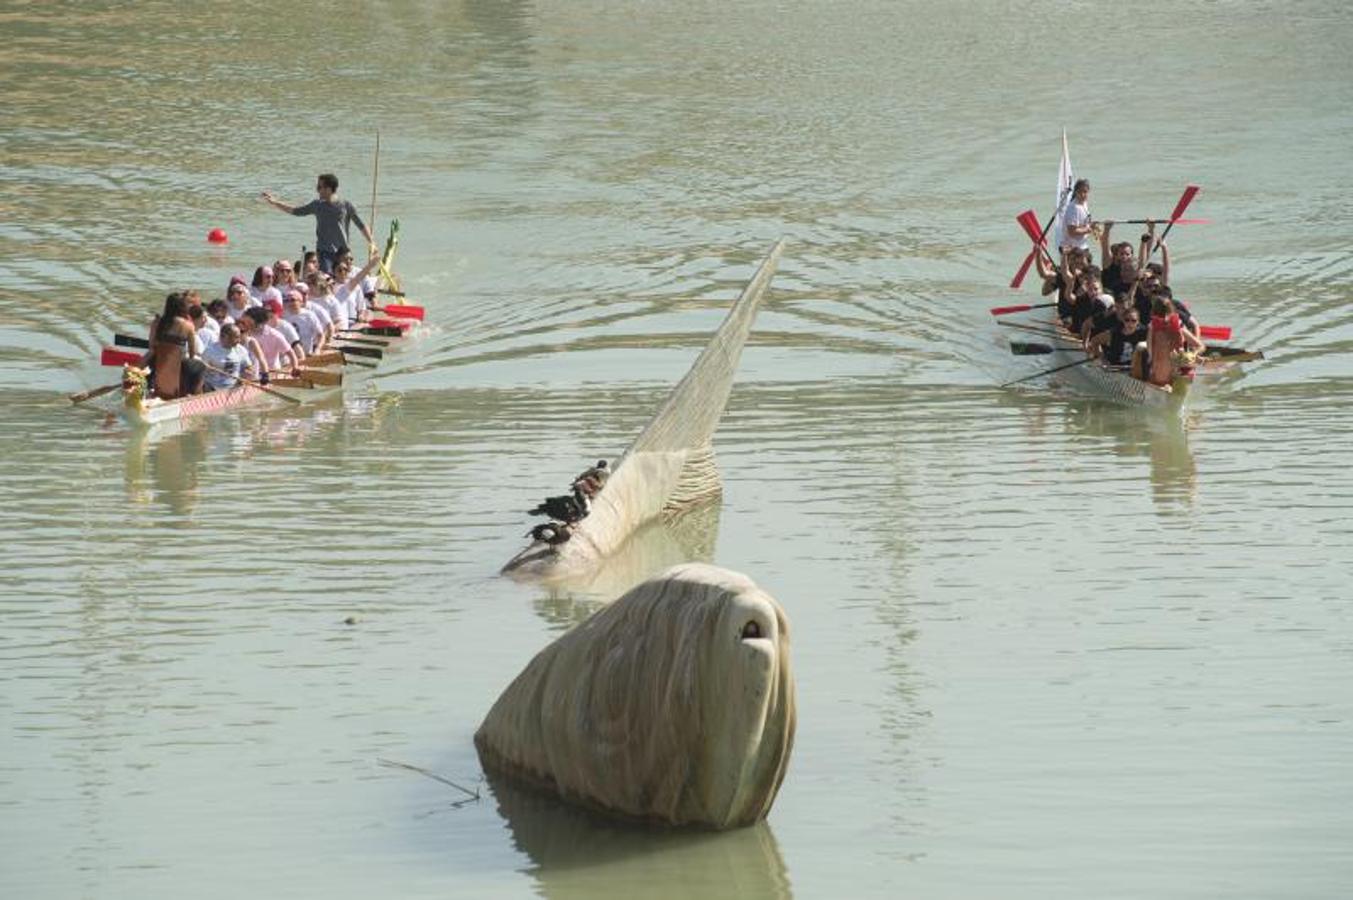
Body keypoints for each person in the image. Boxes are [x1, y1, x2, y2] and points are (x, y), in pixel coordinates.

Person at [260, 173, 373, 274]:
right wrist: (274, 202)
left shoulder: (346, 205)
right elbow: (295, 211)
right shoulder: (317, 205)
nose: (317, 190)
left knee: (342, 279)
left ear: (328, 189)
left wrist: (371, 243)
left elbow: (361, 225)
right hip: (324, 252)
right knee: (327, 277)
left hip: (343, 252)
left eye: (319, 187)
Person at [1133, 296, 1204, 386]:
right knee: (1141, 348)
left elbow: (1200, 346)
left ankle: (1139, 380)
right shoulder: (1153, 326)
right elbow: (1150, 352)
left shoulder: (1178, 325)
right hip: (1162, 373)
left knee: (1140, 348)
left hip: (1174, 371)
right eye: (1161, 314)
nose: (1165, 319)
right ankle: (1141, 380)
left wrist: (1193, 355)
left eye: (1165, 313)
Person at [147, 292, 205, 399]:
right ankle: (195, 395)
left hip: (157, 361)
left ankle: (151, 387)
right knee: (200, 367)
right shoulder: (188, 325)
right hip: (178, 363)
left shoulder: (157, 322)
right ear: (183, 307)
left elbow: (151, 345)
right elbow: (193, 353)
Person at [238, 307, 300, 376]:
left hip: (272, 374)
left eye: (249, 322)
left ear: (259, 322)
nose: (246, 325)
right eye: (245, 322)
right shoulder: (243, 333)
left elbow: (290, 353)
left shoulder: (275, 335)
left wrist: (295, 367)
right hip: (251, 374)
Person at [201, 323, 257, 391]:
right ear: (224, 337)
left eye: (239, 337)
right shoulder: (209, 351)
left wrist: (248, 372)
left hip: (234, 389)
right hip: (212, 389)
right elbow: (201, 372)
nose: (239, 340)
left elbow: (248, 367)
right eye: (236, 337)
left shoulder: (241, 350)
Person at [283, 289, 326, 354]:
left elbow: (320, 334)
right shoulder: (283, 317)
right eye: (287, 300)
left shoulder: (309, 315)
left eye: (293, 300)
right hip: (290, 357)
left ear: (300, 301)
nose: (290, 303)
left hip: (308, 354)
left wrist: (318, 349)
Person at [1058, 178, 1093, 257]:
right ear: (1076, 192)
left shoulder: (1084, 204)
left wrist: (1091, 225)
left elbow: (1084, 222)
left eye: (1085, 192)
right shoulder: (1074, 208)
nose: (1083, 194)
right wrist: (1088, 230)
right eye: (1080, 192)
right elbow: (1072, 231)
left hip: (1082, 246)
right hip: (1072, 249)